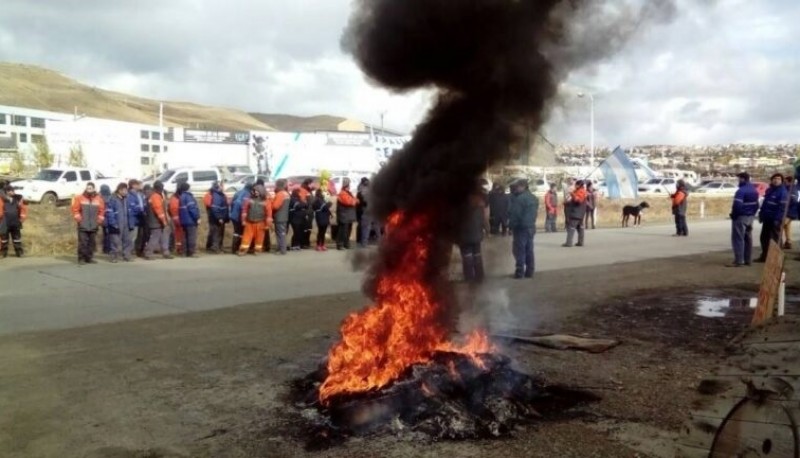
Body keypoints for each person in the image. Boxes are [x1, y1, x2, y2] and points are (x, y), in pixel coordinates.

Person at [459, 182, 490, 283]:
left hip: (464, 234)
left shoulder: (460, 204)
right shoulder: (479, 203)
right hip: (477, 233)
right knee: (477, 254)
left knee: (467, 256)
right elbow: (485, 218)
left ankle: (469, 277)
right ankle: (479, 276)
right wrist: (487, 229)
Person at [728, 172, 760, 267]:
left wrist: (734, 215)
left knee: (738, 239)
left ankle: (739, 260)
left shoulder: (741, 191)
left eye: (739, 179)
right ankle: (748, 259)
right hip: (750, 217)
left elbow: (737, 205)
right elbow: (756, 204)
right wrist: (752, 214)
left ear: (742, 179)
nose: (738, 181)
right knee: (748, 238)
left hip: (741, 217)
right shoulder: (754, 190)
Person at [508, 179, 538, 279]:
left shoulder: (520, 199)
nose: (515, 189)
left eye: (517, 187)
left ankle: (519, 272)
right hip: (531, 226)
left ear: (523, 187)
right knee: (529, 250)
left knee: (519, 250)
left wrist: (510, 226)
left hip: (520, 228)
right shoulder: (534, 198)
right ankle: (530, 271)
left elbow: (515, 215)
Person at [71, 182, 106, 265]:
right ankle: (81, 258)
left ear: (94, 189)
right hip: (83, 224)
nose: (89, 190)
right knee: (83, 242)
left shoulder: (99, 199)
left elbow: (102, 211)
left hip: (94, 225)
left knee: (92, 242)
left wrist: (99, 221)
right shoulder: (79, 198)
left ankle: (89, 258)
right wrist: (79, 219)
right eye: (87, 188)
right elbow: (75, 209)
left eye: (90, 188)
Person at [756, 173, 788, 262]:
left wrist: (777, 219)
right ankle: (765, 256)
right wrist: (761, 215)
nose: (776, 180)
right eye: (774, 178)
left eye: (778, 179)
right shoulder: (769, 190)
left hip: (775, 220)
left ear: (781, 181)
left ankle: (777, 259)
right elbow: (765, 204)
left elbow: (782, 208)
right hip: (767, 219)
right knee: (764, 238)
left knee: (775, 239)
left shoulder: (782, 192)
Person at [104, 183, 134, 263]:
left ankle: (126, 255)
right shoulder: (112, 199)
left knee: (127, 241)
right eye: (124, 190)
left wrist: (131, 223)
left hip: (126, 224)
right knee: (115, 242)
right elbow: (109, 212)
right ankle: (113, 256)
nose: (126, 192)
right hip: (116, 224)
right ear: (119, 190)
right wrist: (113, 223)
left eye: (126, 190)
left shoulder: (127, 199)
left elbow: (131, 211)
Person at [238, 184, 272, 255]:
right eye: (254, 191)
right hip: (249, 222)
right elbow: (244, 211)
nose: (254, 192)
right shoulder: (248, 200)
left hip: (261, 222)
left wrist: (267, 224)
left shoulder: (266, 201)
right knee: (246, 237)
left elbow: (269, 214)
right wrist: (243, 220)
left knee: (259, 237)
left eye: (256, 191)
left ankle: (257, 250)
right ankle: (243, 250)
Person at [145, 181, 173, 260]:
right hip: (156, 221)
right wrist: (164, 221)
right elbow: (158, 210)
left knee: (164, 236)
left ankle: (165, 251)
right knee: (155, 236)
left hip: (157, 220)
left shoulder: (155, 195)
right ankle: (148, 253)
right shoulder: (155, 196)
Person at [0, 185, 28, 258]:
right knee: (4, 239)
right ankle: (3, 253)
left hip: (15, 221)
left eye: (12, 190)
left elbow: (23, 209)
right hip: (4, 222)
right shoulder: (2, 199)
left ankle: (19, 253)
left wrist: (21, 219)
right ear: (6, 192)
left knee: (17, 239)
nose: (12, 192)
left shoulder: (18, 198)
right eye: (10, 190)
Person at [177, 182, 200, 257]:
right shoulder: (188, 196)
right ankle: (191, 252)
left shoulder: (181, 196)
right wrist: (197, 217)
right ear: (187, 188)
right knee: (191, 236)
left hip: (183, 220)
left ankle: (184, 252)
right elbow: (192, 208)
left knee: (185, 237)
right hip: (190, 220)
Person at [204, 182, 228, 253]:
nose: (223, 187)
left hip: (215, 215)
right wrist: (219, 217)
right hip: (215, 216)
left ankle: (213, 246)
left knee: (214, 232)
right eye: (222, 186)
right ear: (218, 187)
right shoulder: (215, 195)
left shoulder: (216, 194)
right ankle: (215, 247)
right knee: (216, 232)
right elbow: (214, 207)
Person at [229, 183, 253, 254]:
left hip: (234, 215)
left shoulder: (238, 192)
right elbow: (244, 207)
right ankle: (238, 248)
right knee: (241, 232)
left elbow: (231, 203)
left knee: (236, 232)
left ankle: (234, 248)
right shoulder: (248, 195)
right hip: (240, 216)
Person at [336, 178, 358, 250]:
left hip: (348, 216)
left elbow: (357, 201)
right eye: (349, 186)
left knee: (348, 231)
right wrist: (354, 200)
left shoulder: (349, 193)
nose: (350, 187)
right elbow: (349, 202)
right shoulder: (342, 193)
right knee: (342, 231)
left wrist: (354, 200)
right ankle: (340, 244)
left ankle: (346, 243)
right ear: (346, 186)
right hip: (344, 215)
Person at [563, 180, 587, 247]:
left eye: (575, 185)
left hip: (576, 213)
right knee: (580, 228)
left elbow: (578, 200)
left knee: (571, 228)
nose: (574, 186)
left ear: (578, 185)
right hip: (580, 213)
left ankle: (569, 243)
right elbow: (573, 200)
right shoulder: (578, 191)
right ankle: (580, 242)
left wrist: (572, 194)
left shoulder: (581, 191)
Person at [358, 178, 381, 247]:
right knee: (368, 226)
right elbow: (364, 200)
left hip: (371, 208)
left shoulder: (364, 188)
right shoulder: (363, 189)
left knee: (375, 225)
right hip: (367, 209)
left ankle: (378, 241)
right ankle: (364, 243)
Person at [128, 180, 148, 257]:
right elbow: (133, 207)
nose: (140, 186)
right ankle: (130, 251)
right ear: (133, 185)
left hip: (141, 218)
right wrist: (140, 210)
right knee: (133, 236)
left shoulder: (140, 194)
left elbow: (143, 204)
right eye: (138, 185)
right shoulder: (130, 195)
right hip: (134, 218)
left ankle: (137, 250)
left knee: (140, 236)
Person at [272, 179, 290, 255]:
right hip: (285, 216)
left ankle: (282, 249)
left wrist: (271, 203)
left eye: (275, 185)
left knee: (280, 233)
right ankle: (281, 248)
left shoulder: (280, 194)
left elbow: (275, 206)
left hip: (279, 216)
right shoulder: (286, 194)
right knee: (282, 233)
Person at [299, 178, 314, 249]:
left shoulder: (307, 191)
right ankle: (304, 243)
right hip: (307, 212)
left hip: (309, 211)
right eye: (312, 183)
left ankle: (306, 243)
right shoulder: (304, 191)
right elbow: (306, 202)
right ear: (308, 184)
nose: (313, 185)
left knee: (308, 228)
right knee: (306, 228)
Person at [168, 186, 184, 255]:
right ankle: (179, 249)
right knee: (179, 234)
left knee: (178, 234)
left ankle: (178, 248)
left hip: (175, 218)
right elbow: (174, 209)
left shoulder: (173, 198)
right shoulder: (176, 199)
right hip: (178, 218)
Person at [783, 176, 798, 249]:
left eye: (785, 181)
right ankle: (788, 242)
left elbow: (793, 201)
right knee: (787, 226)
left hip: (790, 212)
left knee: (781, 225)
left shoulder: (792, 189)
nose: (784, 183)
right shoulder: (788, 188)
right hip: (789, 211)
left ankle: (779, 242)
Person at [99, 184, 113, 255]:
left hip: (102, 219)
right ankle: (108, 249)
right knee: (108, 235)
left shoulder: (99, 198)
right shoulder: (109, 198)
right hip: (107, 219)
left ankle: (105, 249)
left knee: (105, 234)